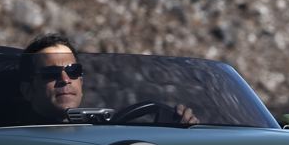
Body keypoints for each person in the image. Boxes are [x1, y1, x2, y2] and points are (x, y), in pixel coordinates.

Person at [17, 32, 197, 125]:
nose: (65, 79)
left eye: (73, 70)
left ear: (82, 80)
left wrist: (180, 128)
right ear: (27, 90)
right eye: (51, 73)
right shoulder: (14, 141)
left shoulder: (102, 128)